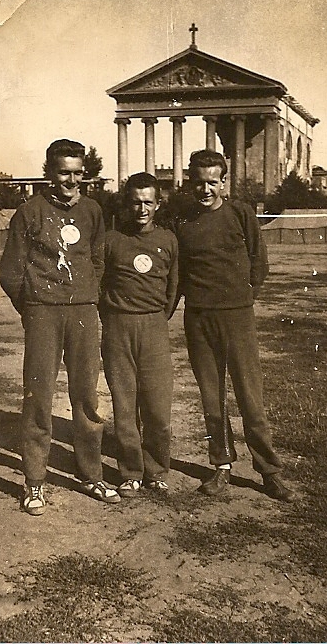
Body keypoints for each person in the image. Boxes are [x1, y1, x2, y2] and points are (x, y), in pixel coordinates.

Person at [0, 138, 120, 515]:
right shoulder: (29, 212)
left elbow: (98, 261)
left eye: (77, 173)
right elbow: (10, 271)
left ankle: (90, 474)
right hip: (43, 313)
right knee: (39, 396)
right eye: (64, 173)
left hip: (82, 311)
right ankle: (34, 480)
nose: (72, 180)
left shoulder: (93, 211)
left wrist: (85, 294)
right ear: (50, 172)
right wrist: (32, 305)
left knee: (86, 396)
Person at [172, 149, 295, 502]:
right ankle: (222, 465)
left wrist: (244, 297)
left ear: (224, 183)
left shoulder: (241, 213)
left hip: (237, 316)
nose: (205, 189)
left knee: (249, 396)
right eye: (199, 182)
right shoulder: (183, 221)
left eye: (213, 182)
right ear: (190, 183)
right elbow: (178, 272)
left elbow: (259, 262)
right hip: (199, 318)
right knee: (212, 398)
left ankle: (269, 471)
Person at [100, 172, 178, 497]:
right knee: (124, 404)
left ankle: (156, 470)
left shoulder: (168, 240)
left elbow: (173, 289)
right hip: (118, 327)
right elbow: (100, 284)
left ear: (158, 204)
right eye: (135, 202)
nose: (141, 209)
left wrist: (154, 318)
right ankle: (131, 471)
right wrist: (115, 316)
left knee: (158, 406)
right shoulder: (111, 240)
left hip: (154, 326)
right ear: (126, 204)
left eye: (148, 202)